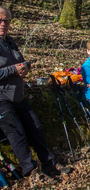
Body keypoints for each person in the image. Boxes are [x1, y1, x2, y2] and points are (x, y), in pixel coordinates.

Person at [0, 6, 70, 177]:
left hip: (18, 96)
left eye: (6, 20)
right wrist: (12, 70)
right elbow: (10, 69)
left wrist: (25, 67)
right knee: (17, 134)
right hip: (1, 100)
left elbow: (22, 62)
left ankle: (50, 165)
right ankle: (31, 172)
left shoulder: (10, 42)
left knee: (36, 127)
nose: (3, 24)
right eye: (0, 20)